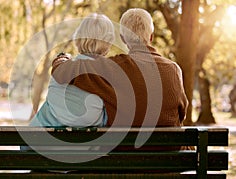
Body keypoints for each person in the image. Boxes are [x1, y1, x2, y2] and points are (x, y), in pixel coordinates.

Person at [52, 8, 188, 127]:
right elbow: (182, 113)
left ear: (123, 38)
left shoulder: (115, 67)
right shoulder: (174, 70)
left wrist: (62, 59)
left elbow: (62, 72)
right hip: (171, 151)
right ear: (151, 37)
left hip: (126, 151)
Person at [29, 13, 115, 127]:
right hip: (88, 144)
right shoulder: (109, 76)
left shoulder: (61, 69)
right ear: (108, 42)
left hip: (45, 142)